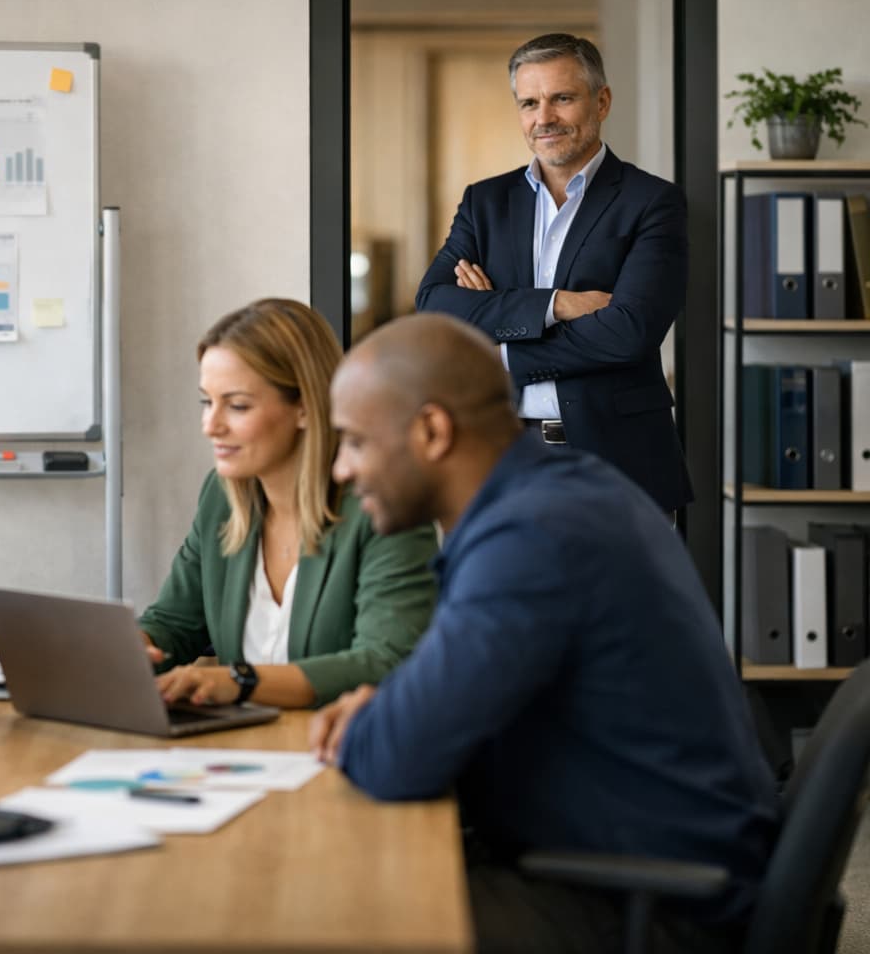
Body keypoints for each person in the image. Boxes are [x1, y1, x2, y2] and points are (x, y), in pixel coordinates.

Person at [309, 313, 779, 953]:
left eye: (356, 442)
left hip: (655, 909)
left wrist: (377, 722)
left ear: (431, 431)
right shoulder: (556, 494)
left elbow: (396, 759)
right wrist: (398, 710)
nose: (340, 469)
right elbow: (445, 702)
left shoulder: (532, 538)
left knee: (340, 918)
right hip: (646, 868)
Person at [414, 32, 692, 514]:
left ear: (601, 101)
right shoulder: (486, 202)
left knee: (612, 593)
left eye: (562, 98)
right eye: (529, 102)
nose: (544, 118)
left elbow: (628, 332)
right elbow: (434, 304)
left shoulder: (652, 203)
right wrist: (555, 304)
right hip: (500, 456)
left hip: (617, 460)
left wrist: (500, 349)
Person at [136, 298, 437, 709]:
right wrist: (138, 646)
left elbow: (386, 661)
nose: (211, 425)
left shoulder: (383, 507)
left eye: (237, 405)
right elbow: (175, 623)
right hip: (242, 753)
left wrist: (240, 680)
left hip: (343, 753)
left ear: (304, 408)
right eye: (207, 402)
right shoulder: (222, 497)